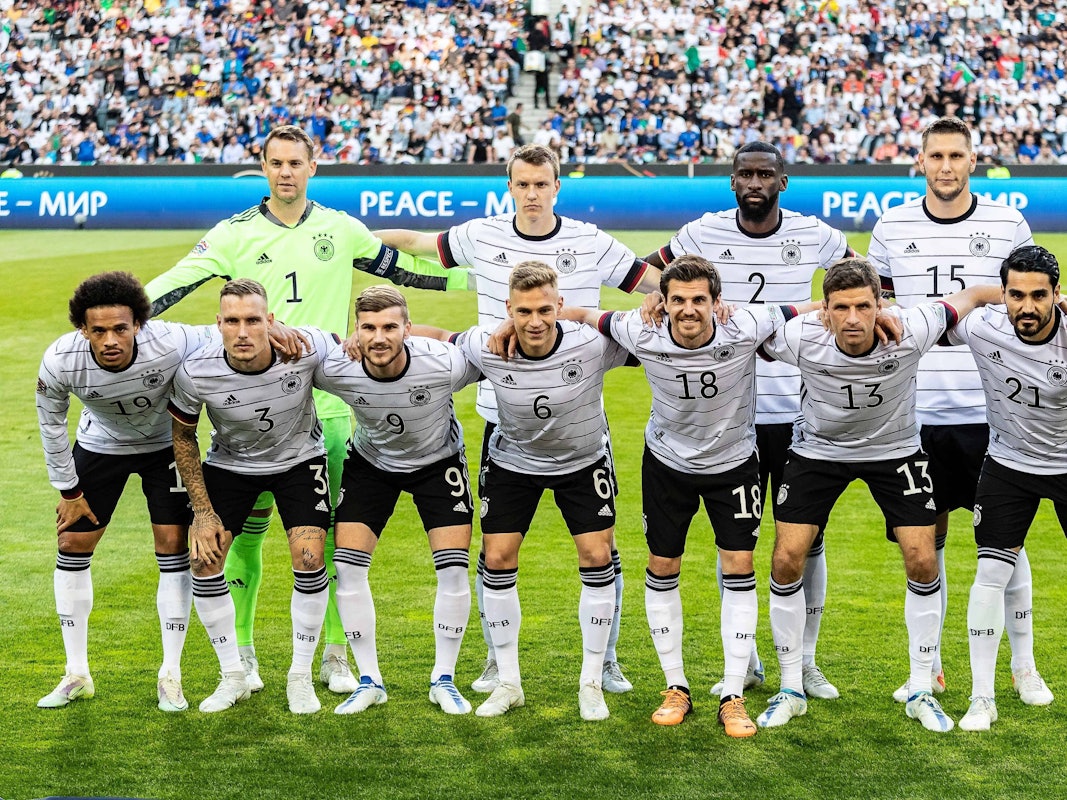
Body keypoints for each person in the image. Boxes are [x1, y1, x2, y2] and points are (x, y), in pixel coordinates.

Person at [146, 124, 469, 698]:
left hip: (333, 405)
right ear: (263, 166)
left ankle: (337, 657)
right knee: (241, 538)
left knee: (333, 541)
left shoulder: (339, 228)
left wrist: (487, 275)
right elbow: (174, 284)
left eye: (296, 162)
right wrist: (121, 309)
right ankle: (242, 654)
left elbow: (404, 270)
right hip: (253, 410)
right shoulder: (233, 233)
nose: (286, 172)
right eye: (275, 163)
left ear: (312, 166)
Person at [377, 144, 662, 698]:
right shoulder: (481, 234)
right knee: (497, 548)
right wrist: (349, 238)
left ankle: (606, 661)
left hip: (582, 414)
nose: (532, 194)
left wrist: (683, 297)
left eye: (541, 184)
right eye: (522, 184)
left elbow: (644, 279)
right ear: (510, 186)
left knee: (600, 545)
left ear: (558, 187)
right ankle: (493, 657)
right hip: (501, 413)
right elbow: (415, 244)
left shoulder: (587, 239)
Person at [565, 255, 816, 736]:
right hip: (667, 465)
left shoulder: (745, 324)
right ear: (662, 301)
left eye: (699, 299)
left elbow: (809, 308)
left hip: (734, 463)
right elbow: (583, 316)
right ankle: (675, 685)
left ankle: (732, 692)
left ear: (716, 302)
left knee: (738, 568)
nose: (687, 309)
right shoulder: (640, 330)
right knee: (663, 567)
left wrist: (872, 310)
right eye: (676, 299)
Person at [643, 140, 855, 701]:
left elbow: (861, 280)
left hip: (798, 410)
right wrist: (655, 302)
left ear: (782, 181)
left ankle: (805, 661)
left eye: (765, 173)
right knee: (730, 542)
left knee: (806, 541)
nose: (755, 182)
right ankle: (751, 658)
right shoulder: (703, 232)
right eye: (745, 174)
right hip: (724, 415)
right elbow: (652, 273)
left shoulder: (814, 234)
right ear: (732, 182)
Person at [756, 257, 1001, 733]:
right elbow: (748, 332)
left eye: (864, 306)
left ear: (880, 304)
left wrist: (1049, 299)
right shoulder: (798, 335)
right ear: (824, 311)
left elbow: (969, 298)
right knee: (786, 558)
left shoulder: (913, 326)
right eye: (840, 308)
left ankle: (921, 687)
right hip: (817, 451)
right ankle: (790, 686)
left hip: (896, 451)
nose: (852, 319)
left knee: (923, 560)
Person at [868, 116, 1051, 706]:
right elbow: (882, 313)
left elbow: (1028, 301)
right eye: (935, 156)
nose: (945, 166)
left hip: (990, 412)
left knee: (1005, 545)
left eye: (956, 155)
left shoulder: (1006, 223)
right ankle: (929, 669)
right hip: (913, 414)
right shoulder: (891, 226)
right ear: (919, 162)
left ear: (974, 161)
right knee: (923, 546)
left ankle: (1023, 667)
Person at [414, 263, 631, 720]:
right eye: (524, 311)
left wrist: (594, 313)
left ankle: (591, 680)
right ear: (508, 309)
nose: (535, 321)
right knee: (496, 559)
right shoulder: (487, 345)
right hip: (513, 462)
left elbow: (649, 336)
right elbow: (436, 336)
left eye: (545, 310)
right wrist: (375, 335)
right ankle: (508, 680)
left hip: (583, 460)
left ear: (559, 307)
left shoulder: (591, 344)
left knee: (596, 556)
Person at [35, 272, 213, 712]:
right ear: (83, 329)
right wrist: (68, 489)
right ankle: (76, 673)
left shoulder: (173, 340)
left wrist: (282, 329)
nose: (110, 339)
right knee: (72, 541)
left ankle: (170, 675)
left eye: (120, 328)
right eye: (98, 330)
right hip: (101, 445)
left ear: (139, 324)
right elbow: (51, 425)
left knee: (173, 546)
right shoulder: (60, 360)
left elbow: (231, 331)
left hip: (166, 447)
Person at [169, 279, 338, 714]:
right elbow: (184, 438)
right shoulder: (195, 371)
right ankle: (233, 676)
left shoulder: (306, 348)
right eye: (232, 321)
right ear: (218, 325)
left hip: (300, 459)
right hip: (231, 465)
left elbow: (358, 346)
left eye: (253, 321)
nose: (242, 332)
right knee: (204, 559)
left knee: (309, 557)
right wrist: (203, 513)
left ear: (271, 322)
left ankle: (299, 678)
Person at [313, 286, 481, 715]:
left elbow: (491, 354)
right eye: (368, 328)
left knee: (453, 570)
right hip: (372, 463)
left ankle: (443, 678)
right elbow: (296, 344)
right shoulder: (337, 368)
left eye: (390, 326)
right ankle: (369, 681)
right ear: (355, 331)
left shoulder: (444, 362)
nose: (379, 337)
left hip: (437, 462)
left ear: (408, 328)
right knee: (347, 567)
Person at [951, 246, 1065, 731]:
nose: (1028, 307)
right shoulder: (983, 326)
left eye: (1040, 295)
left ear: (1056, 296)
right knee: (991, 573)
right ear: (1003, 296)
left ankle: (1025, 668)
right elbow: (922, 321)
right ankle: (982, 697)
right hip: (1008, 465)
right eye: (1016, 295)